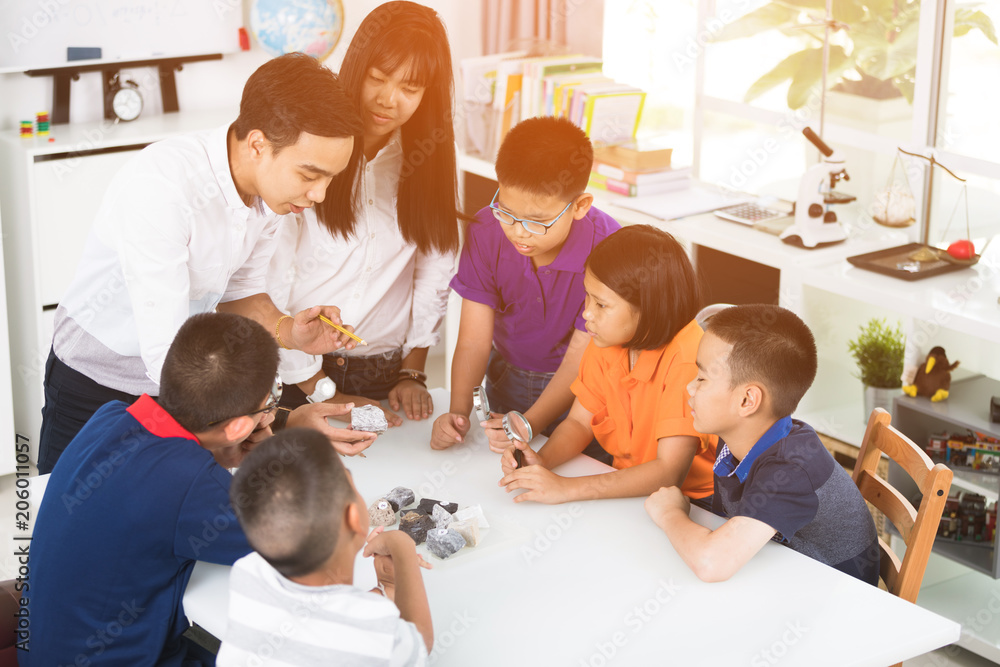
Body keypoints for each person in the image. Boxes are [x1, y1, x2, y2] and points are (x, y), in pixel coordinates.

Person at [38, 53, 365, 474]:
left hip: (181, 378)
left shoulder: (268, 197)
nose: (319, 195)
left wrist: (291, 332)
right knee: (64, 518)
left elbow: (238, 295)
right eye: (309, 175)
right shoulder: (164, 188)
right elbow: (166, 355)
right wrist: (272, 418)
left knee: (157, 526)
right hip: (97, 384)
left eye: (330, 178)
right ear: (258, 145)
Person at [21, 312, 376, 666]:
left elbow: (159, 481)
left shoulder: (111, 415)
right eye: (270, 402)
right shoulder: (194, 487)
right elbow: (312, 538)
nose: (271, 415)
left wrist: (221, 450)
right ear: (238, 428)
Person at [268, 1, 459, 426]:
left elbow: (435, 268)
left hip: (383, 373)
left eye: (410, 89)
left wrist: (413, 370)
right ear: (356, 67)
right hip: (297, 369)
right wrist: (319, 385)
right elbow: (272, 274)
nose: (388, 100)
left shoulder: (430, 161)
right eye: (378, 78)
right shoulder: (310, 147)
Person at [644, 304, 880, 584]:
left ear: (747, 401)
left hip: (836, 606)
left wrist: (671, 513)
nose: (689, 387)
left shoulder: (790, 471)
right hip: (776, 580)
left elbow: (711, 563)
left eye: (702, 378)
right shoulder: (738, 436)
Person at [430, 116, 620, 453]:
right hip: (507, 378)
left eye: (538, 222)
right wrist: (457, 414)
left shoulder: (608, 248)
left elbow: (581, 357)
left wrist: (530, 422)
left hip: (582, 390)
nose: (518, 231)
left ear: (579, 206)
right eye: (507, 211)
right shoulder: (487, 230)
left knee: (571, 469)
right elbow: (474, 340)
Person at [497, 225, 717, 504]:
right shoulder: (607, 340)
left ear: (649, 307)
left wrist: (566, 488)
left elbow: (669, 471)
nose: (586, 312)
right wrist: (541, 461)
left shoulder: (688, 360)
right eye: (587, 296)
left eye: (601, 305)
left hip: (696, 502)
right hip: (625, 488)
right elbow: (578, 423)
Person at [218, 428, 433, 666]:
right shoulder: (372, 633)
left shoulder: (247, 571)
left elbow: (318, 621)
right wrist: (402, 547)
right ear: (352, 517)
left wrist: (386, 589)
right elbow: (419, 644)